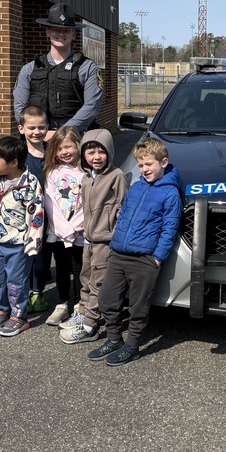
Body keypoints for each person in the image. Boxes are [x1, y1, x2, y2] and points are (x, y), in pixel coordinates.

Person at [86, 138, 183, 366]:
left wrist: (157, 258)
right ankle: (114, 340)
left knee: (138, 307)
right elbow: (123, 217)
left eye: (149, 164)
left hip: (145, 259)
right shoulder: (137, 186)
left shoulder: (170, 193)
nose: (144, 169)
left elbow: (170, 228)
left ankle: (132, 346)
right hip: (119, 254)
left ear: (164, 162)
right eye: (140, 165)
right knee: (107, 298)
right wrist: (115, 244)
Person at [59, 128, 128, 344]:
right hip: (89, 240)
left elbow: (122, 211)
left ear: (109, 152)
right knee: (85, 278)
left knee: (99, 282)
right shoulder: (87, 178)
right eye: (90, 152)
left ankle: (90, 324)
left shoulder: (116, 177)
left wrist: (115, 237)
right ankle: (83, 312)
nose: (96, 157)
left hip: (106, 242)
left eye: (101, 152)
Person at [0, 135, 45, 337]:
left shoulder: (30, 183)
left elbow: (36, 214)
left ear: (14, 162)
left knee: (16, 281)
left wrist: (33, 241)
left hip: (18, 244)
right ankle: (1, 309)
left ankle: (18, 316)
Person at [12, 3, 104, 142]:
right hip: (37, 140)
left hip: (74, 139)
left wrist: (61, 134)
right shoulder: (29, 69)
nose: (61, 34)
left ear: (73, 34)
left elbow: (91, 107)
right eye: (56, 29)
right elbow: (20, 107)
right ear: (47, 31)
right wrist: (36, 131)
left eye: (66, 30)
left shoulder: (88, 68)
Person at [40, 125, 85, 327]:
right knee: (62, 268)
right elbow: (50, 204)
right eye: (59, 149)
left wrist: (74, 228)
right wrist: (64, 229)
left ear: (78, 145)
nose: (64, 152)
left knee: (80, 269)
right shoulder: (52, 173)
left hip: (80, 233)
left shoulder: (86, 173)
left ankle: (79, 306)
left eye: (68, 147)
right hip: (58, 233)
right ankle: (62, 303)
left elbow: (86, 205)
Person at [18, 105, 51, 315]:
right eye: (31, 128)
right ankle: (23, 290)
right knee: (23, 255)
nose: (36, 132)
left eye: (41, 127)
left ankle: (38, 291)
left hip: (48, 214)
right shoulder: (18, 154)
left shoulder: (53, 153)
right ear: (21, 129)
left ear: (47, 127)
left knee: (42, 256)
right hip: (23, 215)